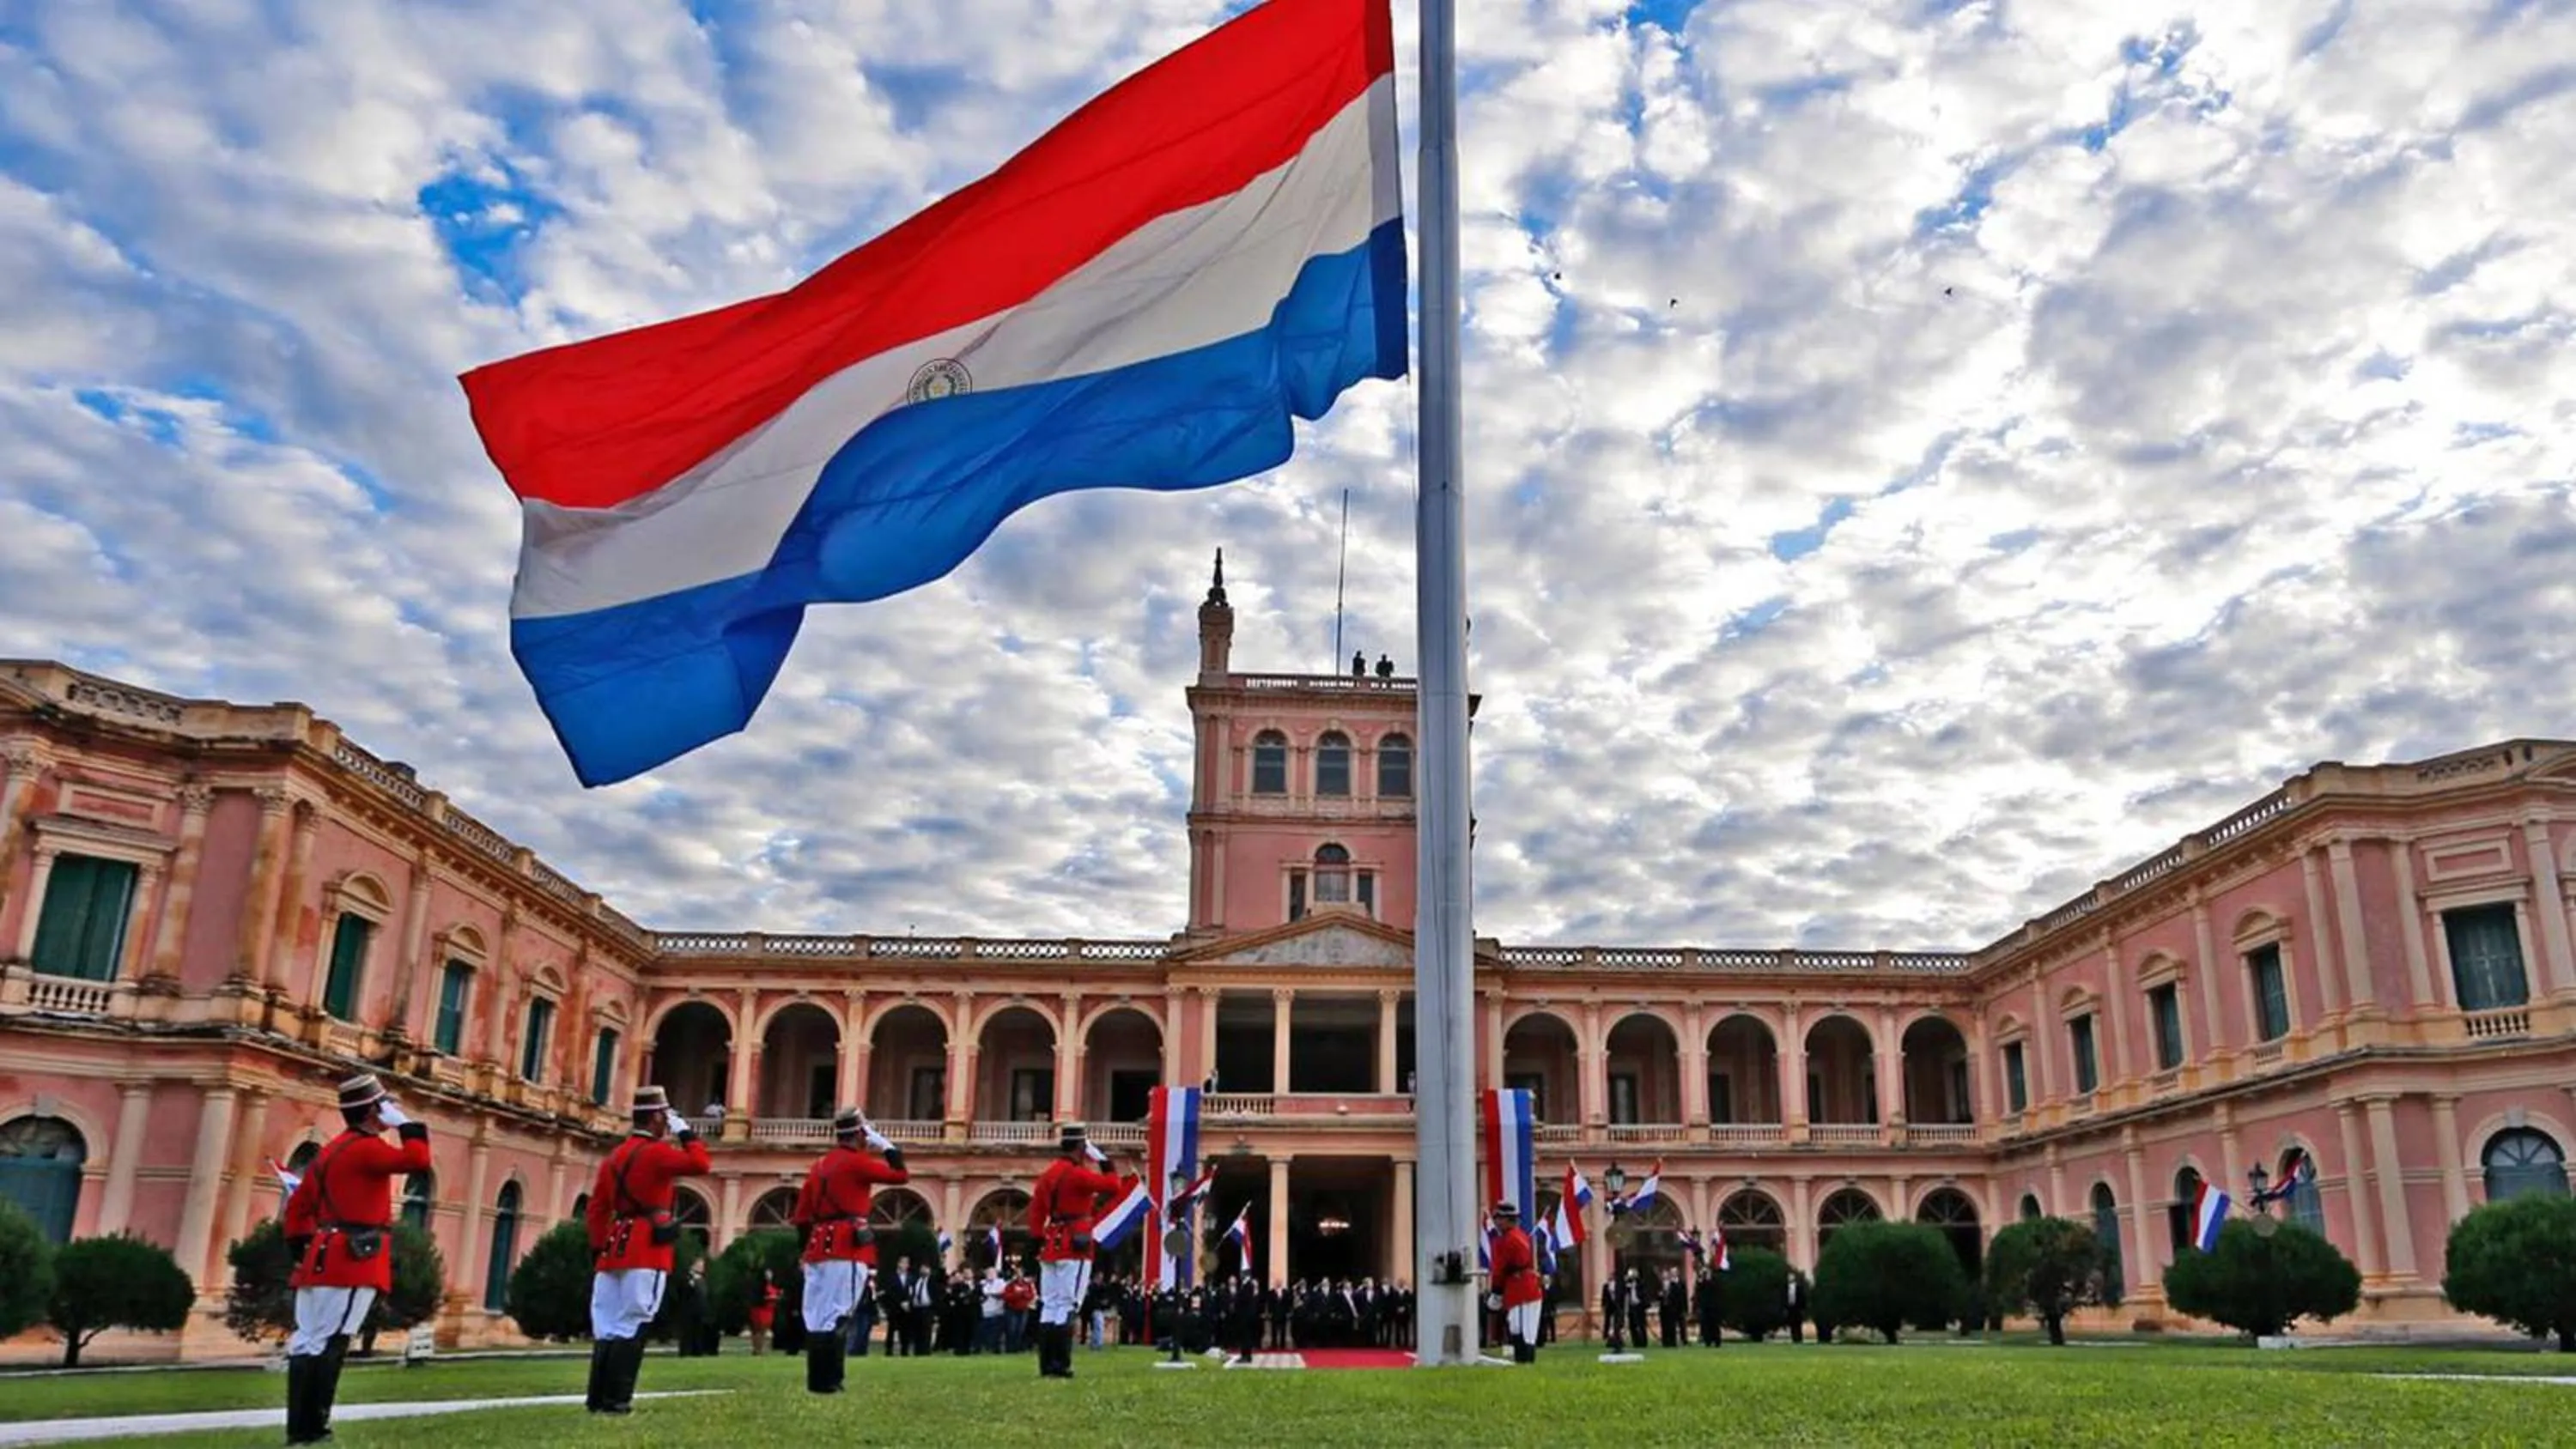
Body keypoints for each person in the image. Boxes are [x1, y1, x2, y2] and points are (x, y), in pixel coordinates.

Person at [279, 1072, 432, 1446]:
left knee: (308, 1339)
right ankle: (315, 1428)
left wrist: (303, 1252)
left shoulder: (330, 1151)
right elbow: (418, 1160)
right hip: (352, 1259)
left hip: (320, 1256)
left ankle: (299, 1428)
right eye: (384, 1105)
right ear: (372, 1111)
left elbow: (297, 1211)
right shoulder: (367, 1149)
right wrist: (407, 1125)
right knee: (333, 1339)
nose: (390, 1110)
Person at [583, 1086, 711, 1415]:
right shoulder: (656, 1153)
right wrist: (686, 1133)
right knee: (634, 1320)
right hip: (646, 1247)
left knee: (607, 1325)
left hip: (613, 1247)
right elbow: (701, 1163)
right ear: (656, 1117)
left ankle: (597, 1398)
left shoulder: (614, 1157)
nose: (667, 1123)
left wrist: (598, 1248)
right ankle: (617, 1400)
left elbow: (597, 1210)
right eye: (665, 1117)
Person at [791, 1107, 907, 1393]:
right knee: (839, 1313)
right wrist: (887, 1146)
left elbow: (802, 1217)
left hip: (817, 1246)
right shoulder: (857, 1163)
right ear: (860, 1134)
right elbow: (900, 1175)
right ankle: (832, 1379)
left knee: (817, 1316)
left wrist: (804, 1251)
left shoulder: (819, 1165)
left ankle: (817, 1380)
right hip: (846, 1246)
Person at [1026, 1122, 1121, 1379]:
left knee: (1049, 1304)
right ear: (1081, 1147)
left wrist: (1037, 1241)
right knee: (1068, 1303)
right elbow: (1113, 1186)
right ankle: (1061, 1363)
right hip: (1074, 1245)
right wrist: (1104, 1161)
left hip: (1050, 1245)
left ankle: (1046, 1363)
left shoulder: (1048, 1174)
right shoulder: (1078, 1175)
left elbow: (1036, 1213)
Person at [1486, 1200, 1543, 1365]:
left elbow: (1500, 1269)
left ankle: (1525, 1361)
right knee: (1519, 1326)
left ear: (1508, 1219)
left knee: (1524, 1328)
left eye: (1500, 1218)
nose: (1497, 1222)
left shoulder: (1507, 1240)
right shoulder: (1519, 1236)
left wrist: (1496, 1292)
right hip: (1520, 1286)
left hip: (1522, 1288)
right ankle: (1524, 1361)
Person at [746, 1267, 775, 1355]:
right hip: (761, 1309)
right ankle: (757, 1349)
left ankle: (759, 1348)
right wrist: (770, 1298)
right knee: (758, 1330)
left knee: (762, 1331)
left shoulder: (770, 1285)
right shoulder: (759, 1285)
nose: (769, 1276)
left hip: (768, 1310)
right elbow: (759, 1297)